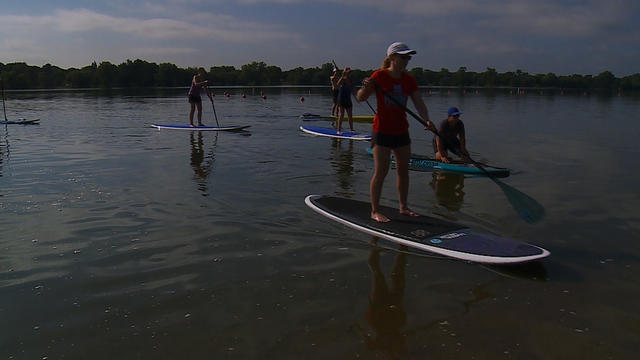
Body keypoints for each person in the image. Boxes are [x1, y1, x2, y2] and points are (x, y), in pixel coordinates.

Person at [357, 42, 435, 223]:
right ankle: (375, 211)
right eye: (404, 57)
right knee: (381, 171)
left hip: (401, 131)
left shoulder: (409, 80)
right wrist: (367, 86)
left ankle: (403, 207)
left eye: (409, 57)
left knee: (403, 171)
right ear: (392, 58)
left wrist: (427, 119)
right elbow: (360, 98)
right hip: (382, 131)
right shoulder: (379, 76)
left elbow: (419, 102)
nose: (407, 60)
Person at [336, 67, 355, 134]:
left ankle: (351, 129)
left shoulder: (351, 80)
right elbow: (337, 85)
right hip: (342, 99)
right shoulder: (342, 79)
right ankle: (339, 130)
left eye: (350, 72)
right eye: (348, 72)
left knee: (350, 115)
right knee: (341, 115)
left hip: (348, 99)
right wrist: (343, 76)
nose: (350, 73)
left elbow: (353, 88)